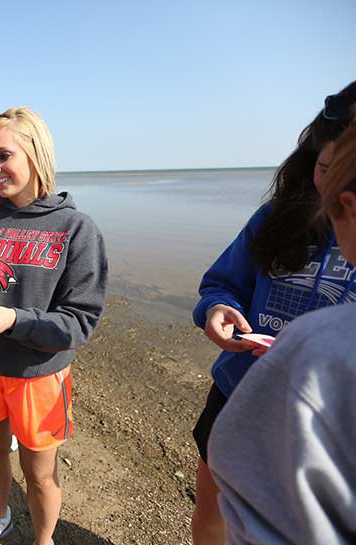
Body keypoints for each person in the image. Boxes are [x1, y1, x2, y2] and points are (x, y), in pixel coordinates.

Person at [190, 81, 356, 545]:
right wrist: (218, 309)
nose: (333, 187)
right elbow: (222, 282)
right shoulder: (275, 219)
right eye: (325, 168)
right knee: (214, 512)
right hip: (239, 390)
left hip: (328, 425)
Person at [0, 107, 107, 545]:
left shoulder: (75, 228)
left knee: (39, 471)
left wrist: (14, 318)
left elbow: (80, 321)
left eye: (3, 156)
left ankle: (44, 538)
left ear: (36, 154)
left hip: (38, 373)